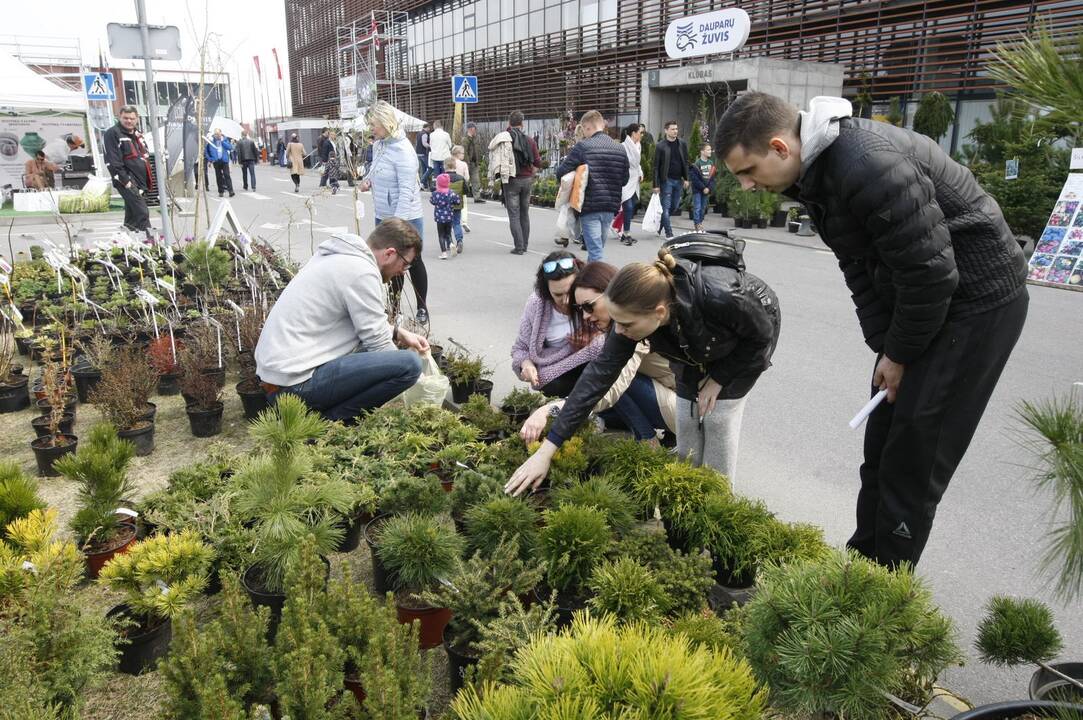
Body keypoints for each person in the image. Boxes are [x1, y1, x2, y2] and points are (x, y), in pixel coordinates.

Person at [716, 91, 1029, 569]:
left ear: (780, 147)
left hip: (977, 302)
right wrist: (887, 351)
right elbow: (859, 270)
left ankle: (885, 593)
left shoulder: (865, 164)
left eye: (748, 171)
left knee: (915, 455)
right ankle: (862, 566)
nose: (746, 186)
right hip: (926, 301)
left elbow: (931, 274)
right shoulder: (814, 176)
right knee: (881, 443)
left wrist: (900, 355)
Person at [506, 241, 781, 495]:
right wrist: (547, 450)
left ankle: (719, 499)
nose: (620, 332)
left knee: (717, 420)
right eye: (618, 324)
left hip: (743, 345)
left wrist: (719, 378)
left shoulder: (721, 296)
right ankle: (688, 492)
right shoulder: (632, 321)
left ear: (659, 313)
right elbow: (598, 380)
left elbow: (761, 338)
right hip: (690, 349)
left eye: (626, 325)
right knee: (688, 425)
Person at [254, 218, 429, 421]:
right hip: (293, 386)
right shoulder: (362, 272)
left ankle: (322, 419)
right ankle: (330, 424)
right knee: (409, 365)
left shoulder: (340, 256)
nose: (402, 271)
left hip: (277, 377)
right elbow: (378, 343)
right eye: (405, 264)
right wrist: (420, 382)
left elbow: (366, 322)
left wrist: (398, 332)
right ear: (390, 253)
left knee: (377, 353)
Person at [519, 261, 678, 445]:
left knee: (609, 376)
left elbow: (609, 386)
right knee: (599, 383)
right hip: (670, 396)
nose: (585, 316)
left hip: (685, 408)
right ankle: (651, 435)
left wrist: (550, 410)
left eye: (588, 306)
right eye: (580, 309)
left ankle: (647, 438)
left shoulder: (634, 327)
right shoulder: (621, 327)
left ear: (611, 294)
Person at [359, 100, 429, 325]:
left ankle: (422, 307)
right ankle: (394, 308)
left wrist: (398, 223)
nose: (371, 129)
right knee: (389, 263)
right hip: (383, 213)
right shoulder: (379, 145)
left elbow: (407, 189)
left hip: (405, 216)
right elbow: (375, 169)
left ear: (386, 124)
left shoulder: (403, 150)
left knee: (412, 261)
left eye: (374, 125)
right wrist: (367, 181)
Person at [511, 251, 607, 398]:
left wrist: (594, 335)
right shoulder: (537, 304)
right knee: (554, 385)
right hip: (553, 373)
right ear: (546, 291)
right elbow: (520, 348)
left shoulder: (589, 300)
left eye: (570, 291)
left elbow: (610, 333)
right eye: (558, 295)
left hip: (590, 366)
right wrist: (526, 364)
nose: (567, 300)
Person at [554, 110, 628, 263]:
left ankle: (596, 284)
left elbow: (561, 172)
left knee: (595, 251)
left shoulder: (583, 147)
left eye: (584, 129)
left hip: (590, 205)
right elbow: (625, 179)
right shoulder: (620, 148)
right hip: (610, 206)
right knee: (597, 248)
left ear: (587, 127)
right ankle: (590, 279)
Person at [489, 110, 542, 255]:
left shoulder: (504, 139)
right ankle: (524, 245)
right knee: (525, 213)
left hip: (511, 180)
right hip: (527, 180)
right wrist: (532, 172)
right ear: (522, 124)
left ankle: (519, 247)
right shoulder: (530, 140)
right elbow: (537, 161)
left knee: (514, 214)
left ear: (509, 123)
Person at [103, 105, 154, 235]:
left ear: (136, 119)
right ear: (119, 117)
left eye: (132, 118)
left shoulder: (137, 134)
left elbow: (144, 155)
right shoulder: (113, 133)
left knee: (132, 216)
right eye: (125, 118)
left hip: (141, 180)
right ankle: (151, 244)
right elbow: (113, 160)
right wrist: (126, 180)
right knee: (142, 212)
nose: (129, 121)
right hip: (127, 180)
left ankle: (127, 244)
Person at [652, 120, 689, 241]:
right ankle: (669, 233)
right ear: (666, 130)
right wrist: (656, 184)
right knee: (666, 208)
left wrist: (687, 178)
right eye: (673, 129)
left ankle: (660, 226)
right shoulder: (660, 146)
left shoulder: (682, 144)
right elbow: (656, 167)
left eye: (676, 129)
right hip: (666, 180)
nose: (675, 131)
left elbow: (686, 162)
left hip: (678, 181)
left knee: (674, 206)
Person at [618, 122, 644, 246]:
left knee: (631, 206)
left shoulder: (638, 146)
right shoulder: (623, 146)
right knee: (627, 206)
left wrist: (640, 172)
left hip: (635, 179)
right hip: (625, 179)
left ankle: (623, 231)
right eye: (640, 132)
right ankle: (626, 233)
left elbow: (637, 164)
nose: (641, 135)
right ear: (633, 133)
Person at [430, 173, 460, 260]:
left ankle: (444, 253)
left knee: (441, 235)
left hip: (439, 218)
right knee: (448, 234)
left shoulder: (435, 193)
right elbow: (457, 201)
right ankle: (451, 244)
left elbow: (432, 201)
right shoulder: (451, 193)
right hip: (449, 217)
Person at [690, 142, 716, 232]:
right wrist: (703, 188)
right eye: (708, 150)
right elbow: (695, 179)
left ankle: (700, 223)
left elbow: (712, 178)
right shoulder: (696, 164)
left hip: (706, 190)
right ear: (702, 151)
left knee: (703, 208)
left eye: (710, 149)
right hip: (698, 190)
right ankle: (697, 224)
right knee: (697, 207)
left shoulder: (711, 163)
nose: (710, 151)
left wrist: (709, 188)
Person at [445, 155, 467, 254]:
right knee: (456, 223)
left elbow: (436, 190)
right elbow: (466, 190)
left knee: (447, 224)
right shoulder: (461, 178)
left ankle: (449, 243)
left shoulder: (442, 178)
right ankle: (459, 240)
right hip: (457, 204)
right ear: (455, 166)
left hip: (445, 205)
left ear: (445, 166)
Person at [205, 129, 235, 197]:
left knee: (227, 175)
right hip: (216, 161)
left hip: (224, 160)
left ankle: (231, 191)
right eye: (216, 134)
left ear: (221, 133)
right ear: (214, 134)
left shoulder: (225, 139)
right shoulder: (211, 141)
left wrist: (222, 142)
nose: (217, 135)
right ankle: (221, 191)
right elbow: (206, 151)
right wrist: (210, 159)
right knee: (218, 176)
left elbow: (230, 147)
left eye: (218, 134)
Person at [463, 122, 486, 203]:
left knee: (476, 180)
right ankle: (461, 196)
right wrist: (466, 162)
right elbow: (464, 151)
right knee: (465, 180)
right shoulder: (465, 139)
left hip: (474, 162)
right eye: (473, 129)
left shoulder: (476, 138)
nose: (475, 130)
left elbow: (477, 149)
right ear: (469, 129)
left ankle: (477, 197)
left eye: (475, 129)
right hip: (467, 163)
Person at [428, 119, 452, 190]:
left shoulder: (431, 135)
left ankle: (438, 189)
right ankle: (445, 188)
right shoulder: (446, 134)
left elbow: (430, 145)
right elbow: (450, 145)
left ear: (435, 126)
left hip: (435, 157)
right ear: (441, 126)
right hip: (445, 157)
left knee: (437, 175)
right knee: (445, 174)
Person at [415, 122, 431, 188]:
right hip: (423, 153)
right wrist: (431, 146)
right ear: (426, 128)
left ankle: (424, 185)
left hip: (418, 153)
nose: (429, 129)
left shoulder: (419, 133)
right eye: (429, 128)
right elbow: (424, 144)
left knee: (423, 169)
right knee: (430, 168)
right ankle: (422, 182)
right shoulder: (424, 134)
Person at [325, 129, 341, 195]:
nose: (334, 136)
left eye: (334, 134)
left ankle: (334, 187)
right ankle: (336, 186)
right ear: (330, 135)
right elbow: (337, 167)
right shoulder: (327, 142)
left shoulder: (334, 142)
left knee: (331, 182)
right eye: (332, 134)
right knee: (334, 180)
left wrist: (325, 172)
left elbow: (327, 168)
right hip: (335, 173)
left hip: (331, 174)